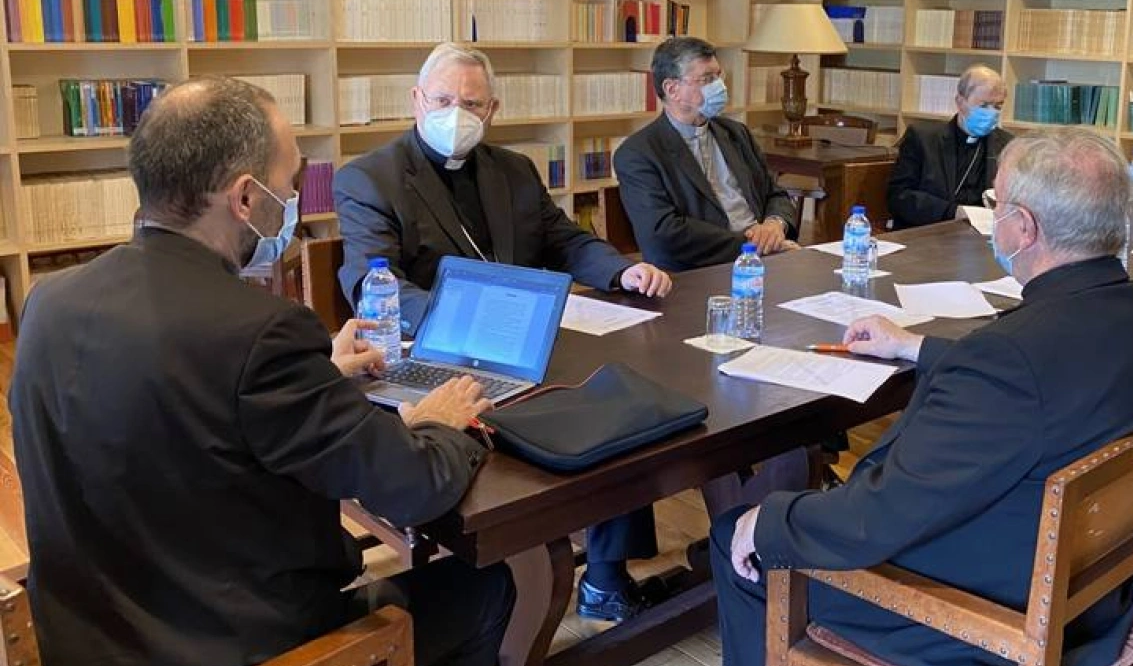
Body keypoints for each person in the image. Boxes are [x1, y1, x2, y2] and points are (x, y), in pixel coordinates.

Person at [10, 78, 512, 666]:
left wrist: (314, 375)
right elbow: (412, 487)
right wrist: (438, 425)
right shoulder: (260, 331)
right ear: (246, 198)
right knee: (486, 586)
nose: (294, 197)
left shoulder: (50, 301)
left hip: (90, 639)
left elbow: (175, 405)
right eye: (290, 181)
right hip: (249, 647)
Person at [710, 128, 1133, 666]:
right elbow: (1047, 384)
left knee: (738, 533)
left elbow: (878, 516)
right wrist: (915, 347)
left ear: (1024, 228)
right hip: (1095, 588)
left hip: (989, 615)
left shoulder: (1007, 362)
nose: (994, 218)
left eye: (996, 204)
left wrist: (770, 520)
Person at [334, 42, 673, 621]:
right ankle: (513, 585)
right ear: (416, 100)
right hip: (437, 360)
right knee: (566, 414)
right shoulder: (369, 178)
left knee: (618, 399)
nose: (456, 113)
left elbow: (564, 240)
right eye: (442, 100)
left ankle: (605, 577)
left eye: (471, 103)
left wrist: (621, 270)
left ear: (492, 110)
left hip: (522, 351)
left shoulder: (513, 170)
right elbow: (373, 282)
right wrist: (469, 322)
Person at [615, 36, 799, 272]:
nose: (720, 86)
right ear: (672, 89)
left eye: (718, 76)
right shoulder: (638, 153)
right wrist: (751, 245)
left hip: (767, 254)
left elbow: (775, 193)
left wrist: (775, 224)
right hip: (701, 270)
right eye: (707, 79)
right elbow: (664, 234)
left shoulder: (736, 133)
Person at [887, 64, 1012, 229]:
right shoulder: (923, 138)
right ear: (960, 102)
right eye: (983, 105)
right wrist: (952, 212)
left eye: (998, 106)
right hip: (931, 231)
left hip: (983, 235)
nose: (991, 113)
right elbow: (899, 197)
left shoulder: (1007, 144)